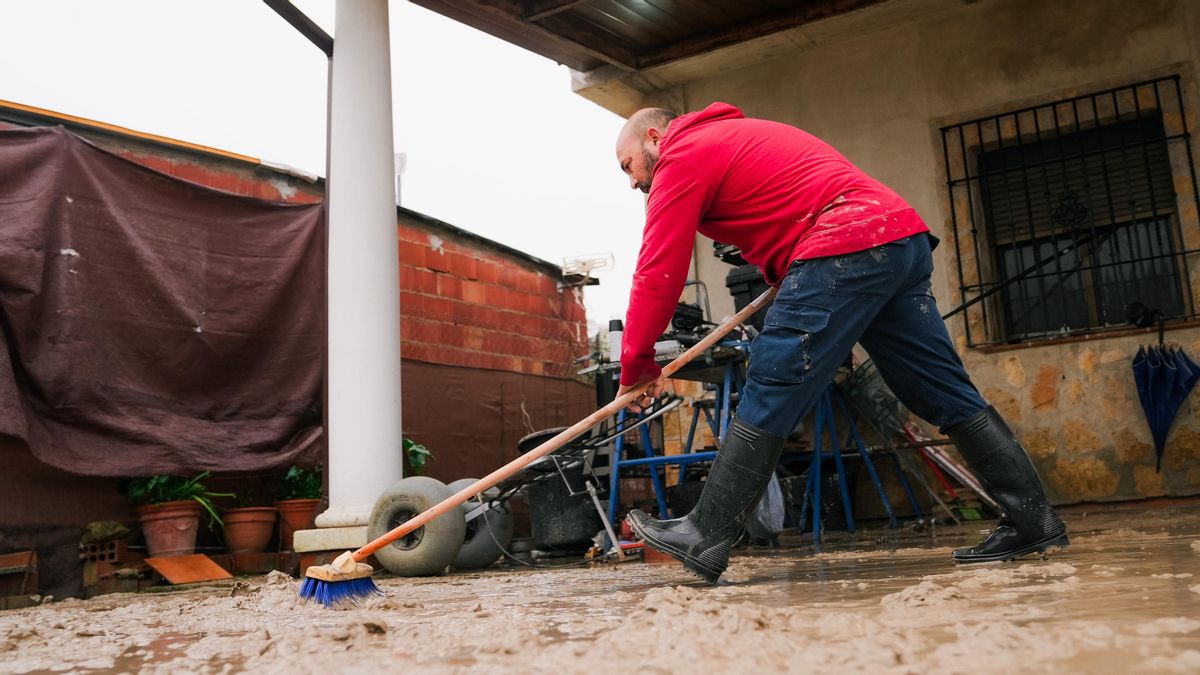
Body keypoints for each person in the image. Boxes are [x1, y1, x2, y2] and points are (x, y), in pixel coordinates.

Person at [612, 103, 1068, 583]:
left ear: (655, 137)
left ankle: (705, 532)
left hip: (845, 240)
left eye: (628, 165)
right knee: (937, 386)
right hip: (897, 238)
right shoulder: (728, 138)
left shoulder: (682, 153)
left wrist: (637, 365)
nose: (632, 181)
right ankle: (1032, 519)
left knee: (773, 378)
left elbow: (658, 270)